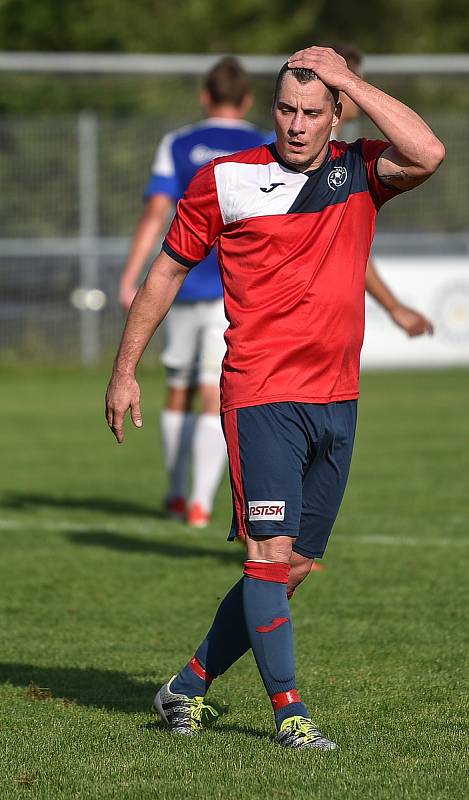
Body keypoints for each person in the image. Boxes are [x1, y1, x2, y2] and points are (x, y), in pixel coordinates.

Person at [105, 47, 444, 748]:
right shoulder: (223, 180)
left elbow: (428, 150)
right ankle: (289, 714)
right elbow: (165, 274)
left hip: (338, 398)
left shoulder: (359, 172)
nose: (295, 124)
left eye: (312, 112)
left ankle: (186, 686)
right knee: (267, 554)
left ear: (335, 114)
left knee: (292, 567)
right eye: (285, 109)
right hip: (260, 392)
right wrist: (124, 368)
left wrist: (348, 78)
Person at [118, 57, 269, 528]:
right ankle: (203, 503)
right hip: (235, 290)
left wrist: (132, 276)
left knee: (177, 393)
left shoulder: (178, 143)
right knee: (213, 394)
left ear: (206, 95)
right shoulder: (265, 143)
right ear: (246, 100)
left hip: (179, 283)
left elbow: (155, 212)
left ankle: (176, 491)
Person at [332, 43, 434, 337]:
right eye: (357, 82)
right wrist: (394, 308)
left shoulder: (344, 155)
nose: (362, 92)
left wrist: (394, 308)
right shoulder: (306, 157)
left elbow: (346, 247)